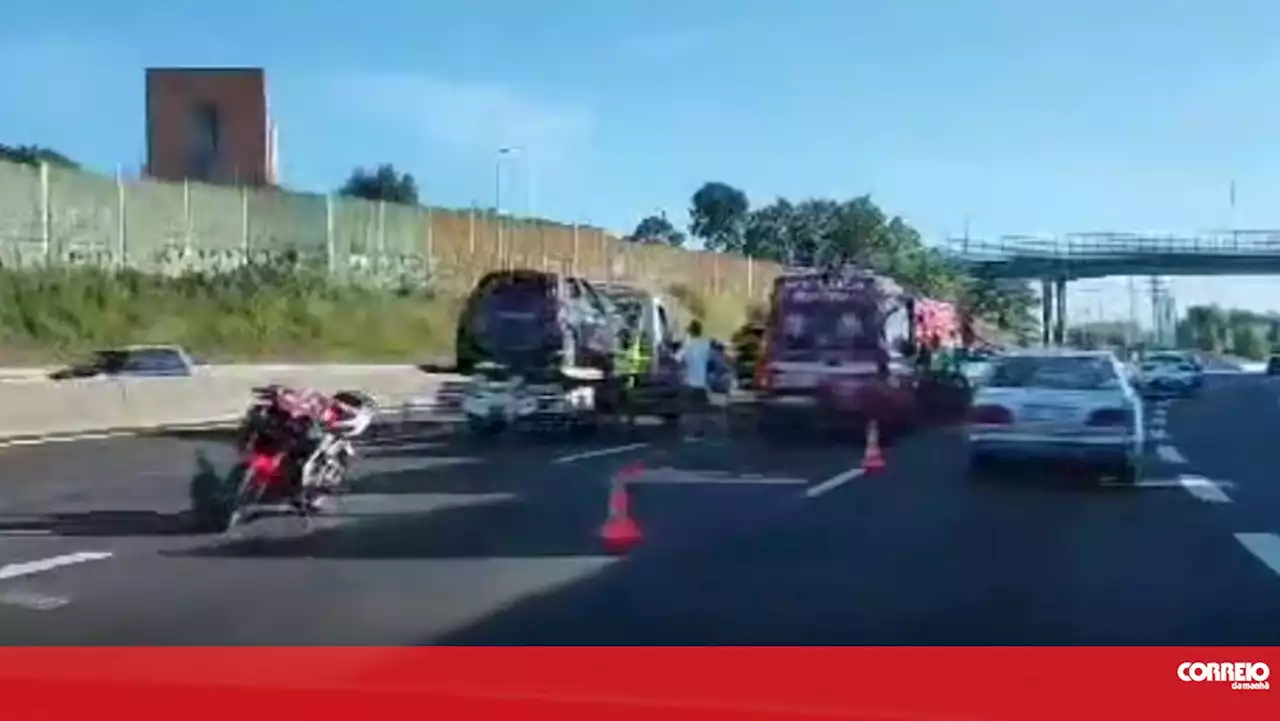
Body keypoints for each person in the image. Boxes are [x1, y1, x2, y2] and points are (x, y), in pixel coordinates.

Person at [675, 319, 717, 440]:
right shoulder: (705, 345)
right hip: (702, 382)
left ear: (690, 331)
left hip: (689, 381)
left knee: (689, 408)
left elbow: (677, 359)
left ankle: (691, 432)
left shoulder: (687, 345)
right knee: (699, 408)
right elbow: (711, 360)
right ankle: (700, 431)